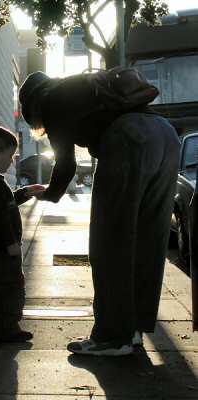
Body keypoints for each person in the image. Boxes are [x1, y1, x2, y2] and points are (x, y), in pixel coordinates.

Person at [19, 68, 180, 356]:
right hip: (165, 136)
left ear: (31, 103)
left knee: (110, 243)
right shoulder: (82, 87)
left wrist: (50, 194)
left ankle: (111, 337)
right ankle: (133, 331)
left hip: (127, 140)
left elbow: (65, 165)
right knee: (149, 242)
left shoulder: (51, 100)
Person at [0, 124, 44, 342]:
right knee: (10, 288)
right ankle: (8, 328)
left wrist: (25, 192)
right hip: (0, 249)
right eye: (11, 155)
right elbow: (0, 218)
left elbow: (7, 203)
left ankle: (1, 328)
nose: (13, 160)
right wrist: (11, 244)